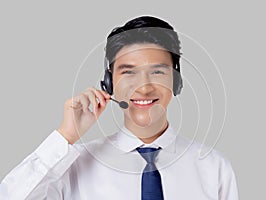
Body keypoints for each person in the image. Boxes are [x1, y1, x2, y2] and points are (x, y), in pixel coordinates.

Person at [0, 16, 239, 200]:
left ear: (176, 81)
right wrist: (66, 136)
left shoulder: (213, 166)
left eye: (157, 71)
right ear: (109, 82)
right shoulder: (73, 165)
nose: (144, 88)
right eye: (129, 72)